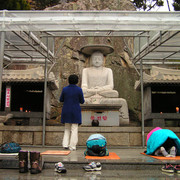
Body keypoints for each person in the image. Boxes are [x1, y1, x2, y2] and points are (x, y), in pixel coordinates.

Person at [60, 74, 85, 151]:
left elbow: (61, 99)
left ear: (69, 81)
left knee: (67, 128)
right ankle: (72, 146)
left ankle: (65, 144)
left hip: (66, 110)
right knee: (74, 128)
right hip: (75, 111)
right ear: (77, 81)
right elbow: (82, 101)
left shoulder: (65, 89)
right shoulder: (79, 90)